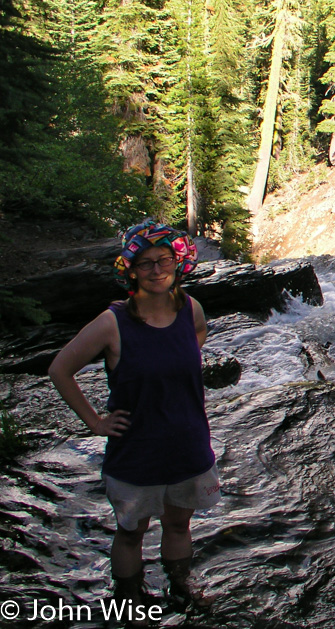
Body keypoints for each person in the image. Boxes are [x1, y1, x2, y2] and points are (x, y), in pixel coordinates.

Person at [48, 220, 219, 617]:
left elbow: (196, 338)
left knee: (179, 526)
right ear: (130, 270)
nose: (156, 270)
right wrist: (95, 423)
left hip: (188, 443)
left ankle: (180, 590)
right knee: (130, 533)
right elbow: (60, 369)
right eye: (145, 264)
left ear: (178, 264)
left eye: (163, 261)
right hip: (137, 451)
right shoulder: (113, 322)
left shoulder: (190, 308)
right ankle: (130, 606)